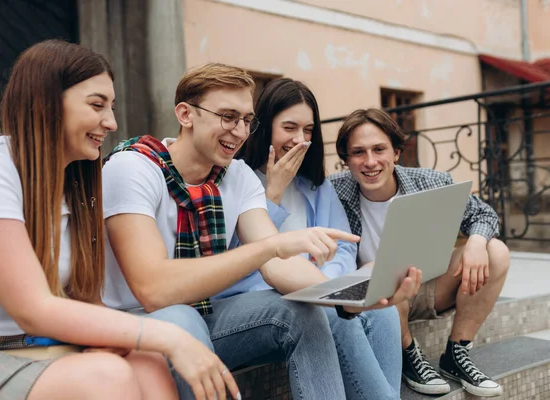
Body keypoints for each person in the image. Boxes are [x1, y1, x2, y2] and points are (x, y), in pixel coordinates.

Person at [102, 63, 421, 400]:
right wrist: (274, 246)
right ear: (185, 114)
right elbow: (153, 289)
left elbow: (278, 266)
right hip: (137, 322)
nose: (239, 132)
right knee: (182, 318)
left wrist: (353, 298)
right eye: (228, 116)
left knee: (303, 310)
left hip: (209, 314)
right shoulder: (134, 167)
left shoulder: (236, 175)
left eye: (246, 120)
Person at [0, 40, 239, 400]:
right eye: (96, 105)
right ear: (45, 102)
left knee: (147, 362)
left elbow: (85, 300)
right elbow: (32, 309)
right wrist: (169, 336)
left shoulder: (76, 185)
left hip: (44, 349)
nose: (112, 122)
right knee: (108, 375)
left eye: (112, 107)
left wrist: (151, 341)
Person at [234, 78, 408, 399]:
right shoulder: (240, 178)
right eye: (289, 127)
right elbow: (242, 260)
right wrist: (273, 191)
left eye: (308, 130)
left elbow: (343, 246)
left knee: (383, 310)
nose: (300, 139)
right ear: (265, 126)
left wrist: (324, 283)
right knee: (331, 312)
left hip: (317, 290)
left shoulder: (315, 185)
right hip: (267, 299)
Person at [329, 108, 510, 397]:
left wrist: (476, 241)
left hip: (428, 286)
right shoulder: (333, 192)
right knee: (386, 271)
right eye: (358, 152)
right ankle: (409, 354)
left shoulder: (431, 181)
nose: (370, 161)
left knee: (496, 250)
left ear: (397, 152)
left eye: (379, 149)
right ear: (346, 160)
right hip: (376, 299)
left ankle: (456, 354)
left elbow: (484, 214)